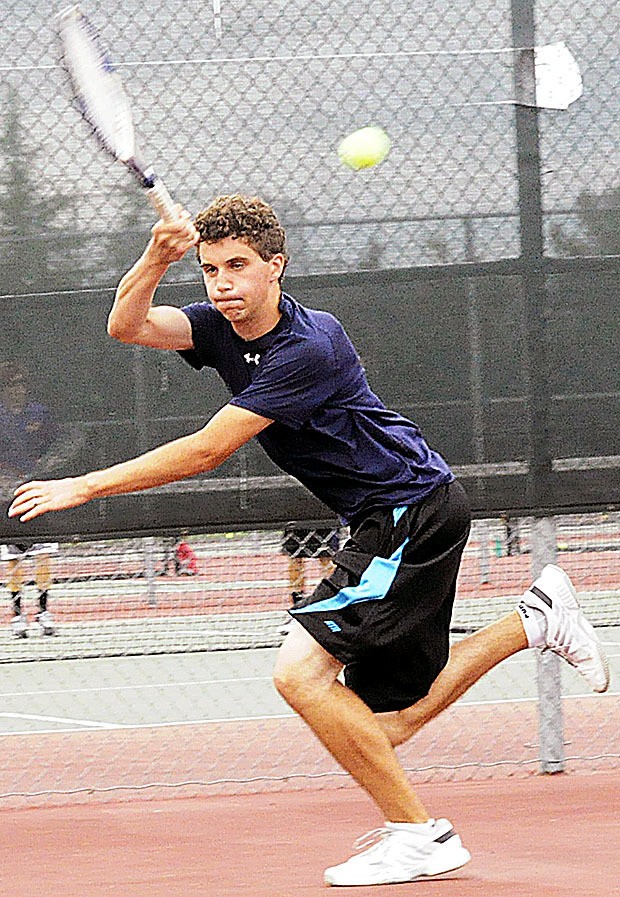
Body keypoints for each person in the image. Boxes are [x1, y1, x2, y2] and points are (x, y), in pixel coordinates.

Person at [7, 195, 609, 886]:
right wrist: (154, 257)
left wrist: (85, 485)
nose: (222, 283)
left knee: (299, 673)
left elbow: (208, 450)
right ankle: (534, 617)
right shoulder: (219, 326)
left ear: (276, 267)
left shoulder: (306, 345)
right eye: (208, 270)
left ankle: (421, 834)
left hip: (406, 510)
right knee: (380, 729)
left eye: (238, 266)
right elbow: (128, 324)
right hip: (398, 513)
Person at [0, 363, 59, 637]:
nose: (16, 390)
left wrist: (44, 468)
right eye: (11, 385)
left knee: (42, 553)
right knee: (12, 556)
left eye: (20, 385)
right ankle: (17, 616)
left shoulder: (41, 413)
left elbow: (55, 444)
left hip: (38, 488)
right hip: (6, 494)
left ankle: (44, 612)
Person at [280, 523, 339, 634]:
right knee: (295, 558)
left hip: (322, 515)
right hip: (296, 516)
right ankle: (297, 609)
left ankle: (334, 605)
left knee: (327, 558)